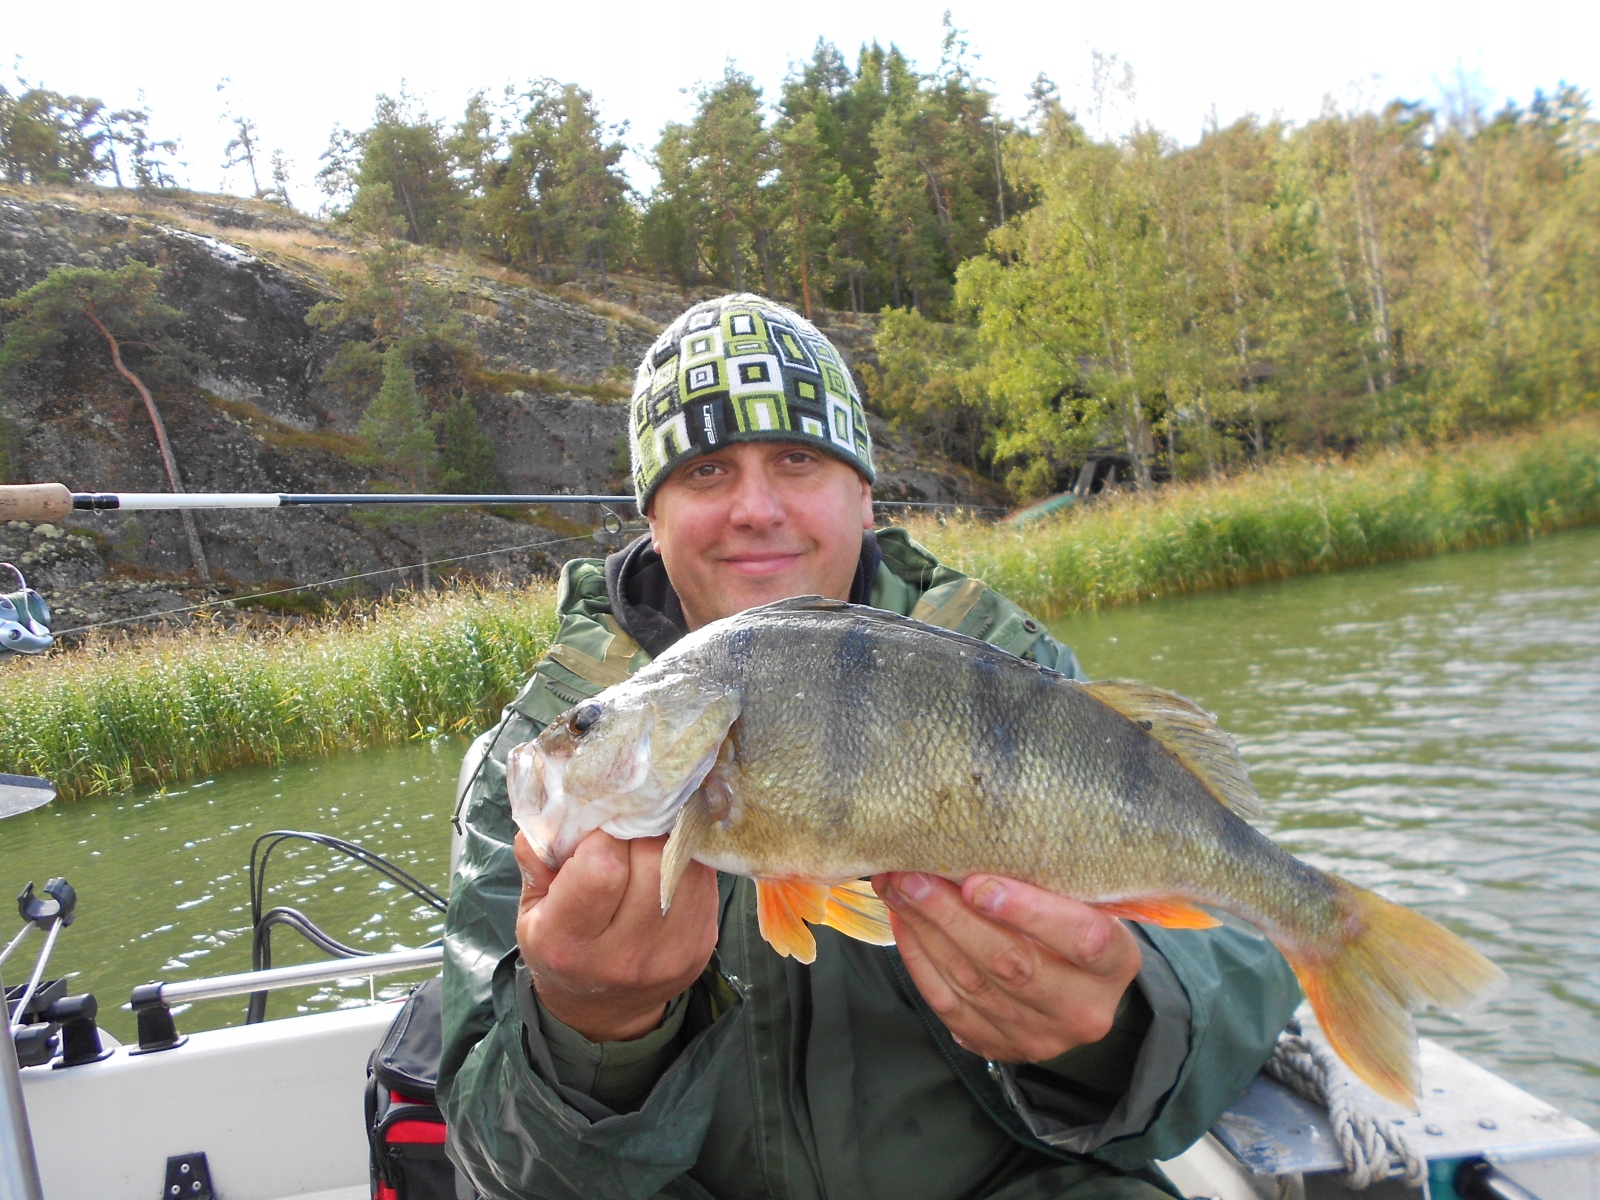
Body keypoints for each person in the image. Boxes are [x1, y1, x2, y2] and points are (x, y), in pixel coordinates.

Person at [439, 293, 1300, 1200]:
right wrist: (592, 1030)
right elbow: (492, 1159)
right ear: (652, 515)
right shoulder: (543, 760)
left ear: (862, 492)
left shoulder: (1005, 668)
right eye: (705, 471)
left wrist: (1120, 1021)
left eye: (797, 459)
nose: (755, 508)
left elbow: (1240, 962)